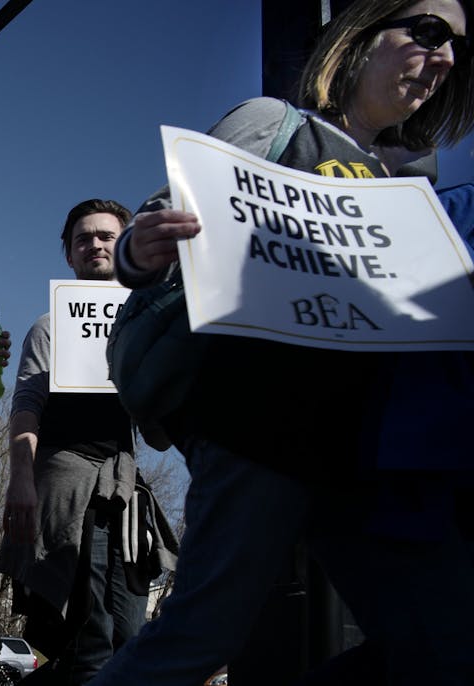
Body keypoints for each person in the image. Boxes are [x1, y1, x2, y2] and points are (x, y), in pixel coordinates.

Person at [92, 1, 474, 683]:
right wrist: (138, 248)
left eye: (458, 49)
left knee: (442, 645)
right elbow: (162, 215)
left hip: (368, 456)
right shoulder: (277, 124)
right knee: (200, 639)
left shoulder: (415, 184)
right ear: (363, 35)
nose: (443, 58)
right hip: (261, 428)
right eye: (429, 33)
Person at [0, 199, 177, 685]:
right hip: (70, 491)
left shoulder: (147, 327)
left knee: (128, 640)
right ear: (69, 256)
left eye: (105, 236)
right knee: (90, 640)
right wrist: (21, 481)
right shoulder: (50, 326)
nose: (94, 244)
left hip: (125, 498)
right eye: (82, 238)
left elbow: (158, 436)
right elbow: (26, 407)